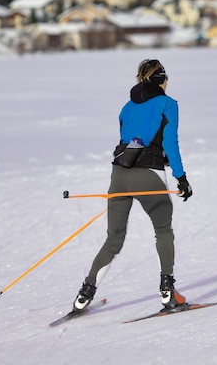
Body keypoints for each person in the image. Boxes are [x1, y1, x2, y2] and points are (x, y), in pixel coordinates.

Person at [73, 59, 193, 312]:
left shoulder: (126, 107)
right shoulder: (167, 104)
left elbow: (128, 137)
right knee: (163, 230)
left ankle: (85, 293)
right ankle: (167, 292)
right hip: (148, 175)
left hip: (119, 175)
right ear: (161, 80)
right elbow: (170, 142)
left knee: (113, 238)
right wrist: (181, 176)